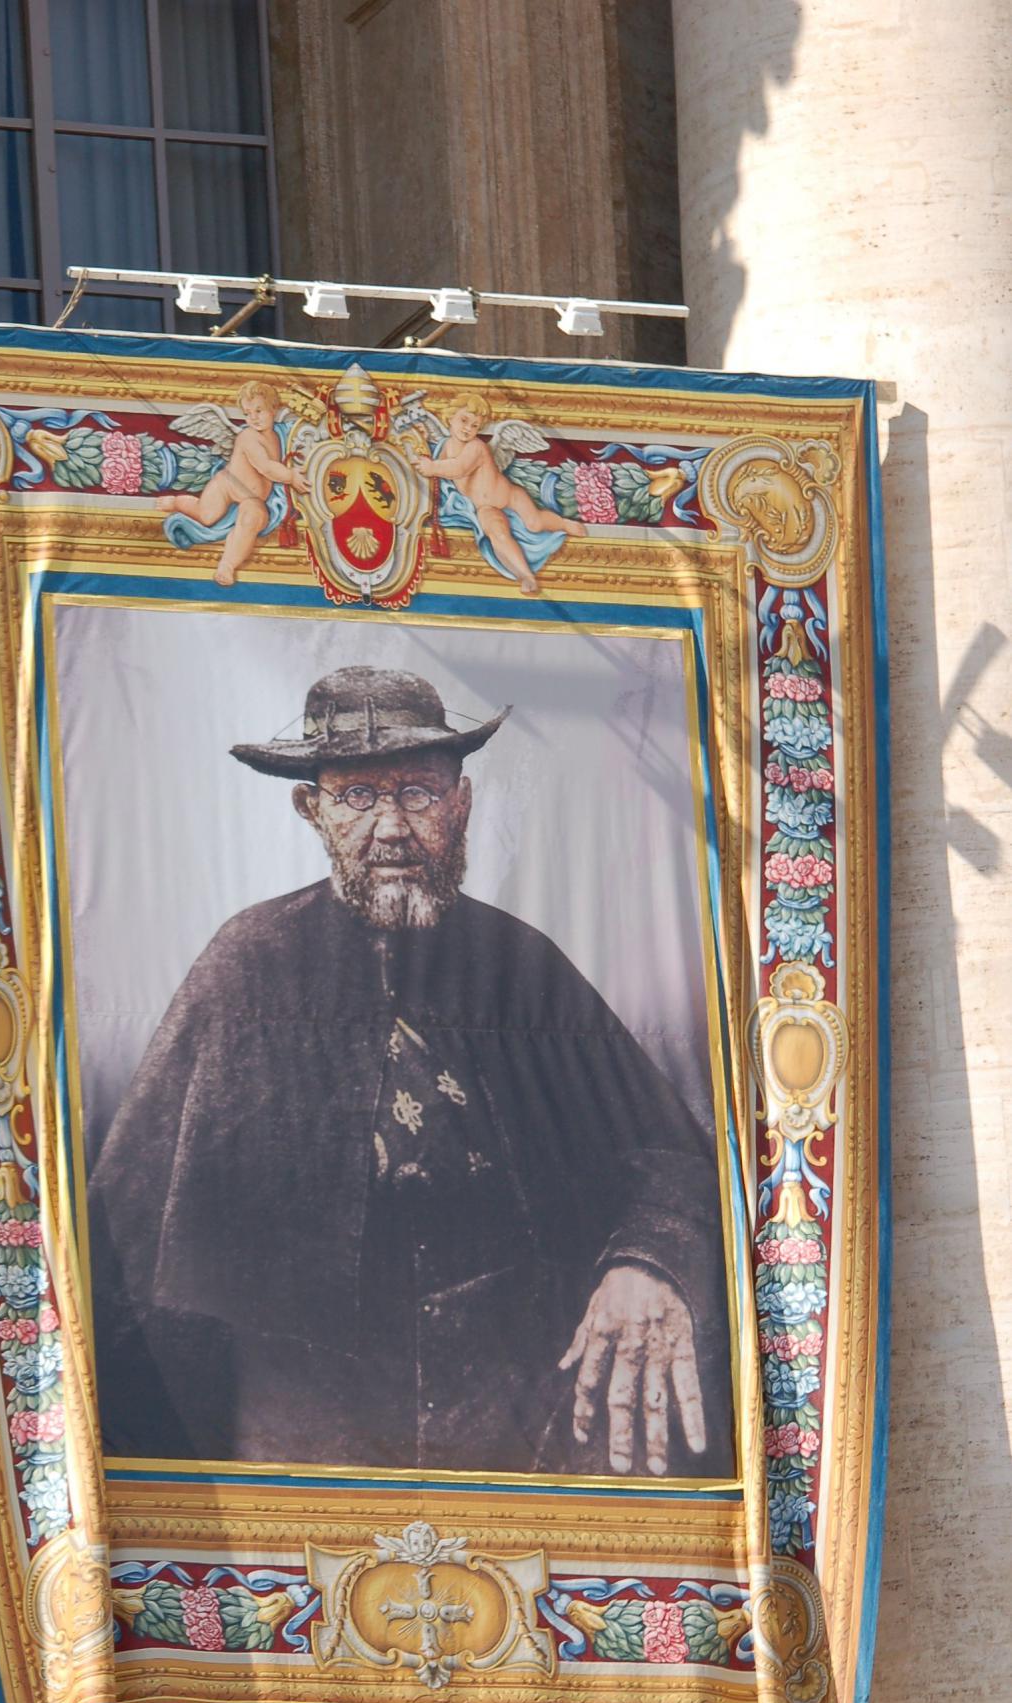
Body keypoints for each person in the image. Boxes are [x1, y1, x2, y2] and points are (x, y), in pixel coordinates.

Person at [89, 664, 733, 1479]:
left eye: (419, 793)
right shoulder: (248, 965)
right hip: (305, 1432)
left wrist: (646, 1262)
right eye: (358, 797)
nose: (391, 826)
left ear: (461, 804)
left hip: (513, 1415)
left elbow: (669, 1156)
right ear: (312, 809)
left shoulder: (518, 965)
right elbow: (123, 1234)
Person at [411, 393, 583, 594]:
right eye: (464, 420)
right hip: (484, 507)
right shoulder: (444, 447)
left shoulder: (476, 446)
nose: (468, 428)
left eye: (475, 425)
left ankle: (564, 524)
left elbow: (459, 468)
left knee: (534, 523)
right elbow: (433, 463)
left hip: (510, 496)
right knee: (497, 533)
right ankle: (525, 575)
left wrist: (432, 468)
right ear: (449, 417)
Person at [156, 379, 309, 586]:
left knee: (253, 517)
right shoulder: (248, 437)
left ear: (274, 409)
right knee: (206, 515)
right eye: (247, 413)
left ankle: (227, 564)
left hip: (253, 498)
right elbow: (264, 466)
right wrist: (291, 476)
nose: (253, 418)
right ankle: (176, 502)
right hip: (226, 486)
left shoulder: (280, 435)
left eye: (259, 410)